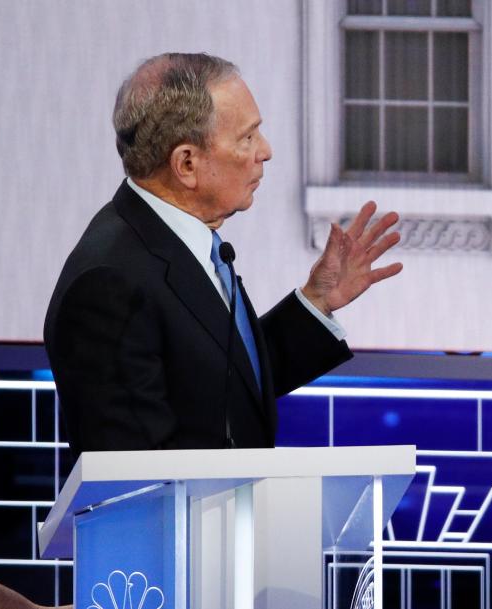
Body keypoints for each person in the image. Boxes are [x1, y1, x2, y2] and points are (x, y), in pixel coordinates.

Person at [44, 53, 402, 460]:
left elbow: (217, 383)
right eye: (247, 138)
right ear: (187, 164)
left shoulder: (175, 238)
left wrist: (316, 303)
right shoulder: (109, 284)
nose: (264, 151)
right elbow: (135, 479)